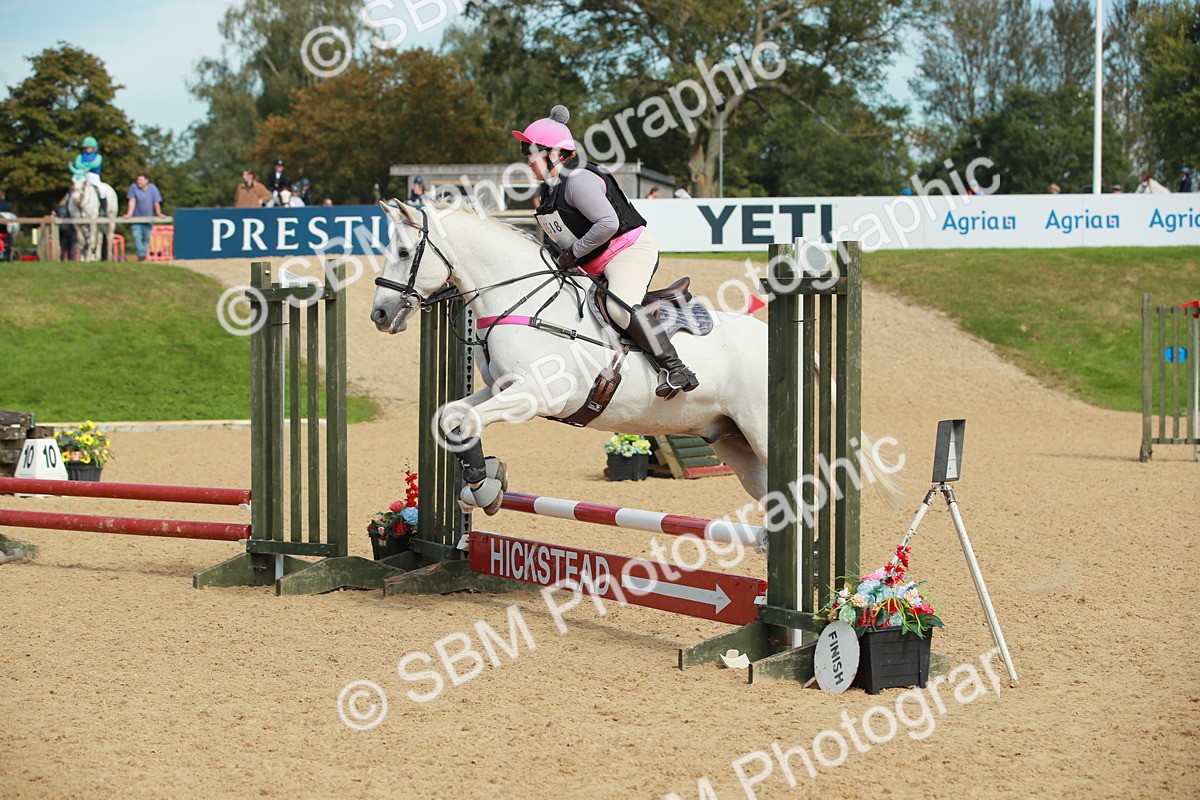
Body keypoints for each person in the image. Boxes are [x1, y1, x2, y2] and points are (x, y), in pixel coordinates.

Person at [513, 104, 699, 398]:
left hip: (627, 251)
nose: (526, 160)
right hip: (593, 261)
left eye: (530, 153)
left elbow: (608, 223)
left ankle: (675, 368)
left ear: (552, 153)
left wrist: (573, 253)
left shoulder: (579, 181)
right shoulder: (549, 189)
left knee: (618, 307)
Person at [124, 174, 163, 261]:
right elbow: (132, 201)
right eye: (138, 180)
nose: (139, 182)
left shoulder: (153, 188)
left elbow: (156, 202)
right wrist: (129, 214)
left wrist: (159, 213)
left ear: (146, 181)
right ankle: (141, 255)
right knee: (136, 236)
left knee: (146, 238)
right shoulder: (134, 187)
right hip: (136, 218)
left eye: (141, 180)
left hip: (148, 219)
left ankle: (144, 255)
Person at [69, 136, 107, 214]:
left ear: (93, 148)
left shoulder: (98, 156)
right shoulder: (80, 156)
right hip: (81, 175)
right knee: (72, 189)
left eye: (89, 147)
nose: (87, 149)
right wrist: (87, 165)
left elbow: (95, 164)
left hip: (93, 176)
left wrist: (85, 165)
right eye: (86, 147)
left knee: (101, 190)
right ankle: (67, 206)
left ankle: (103, 209)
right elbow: (77, 164)